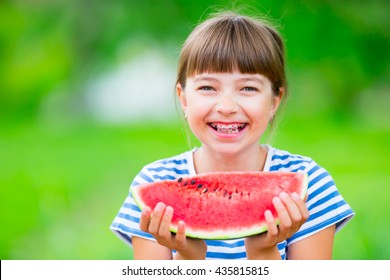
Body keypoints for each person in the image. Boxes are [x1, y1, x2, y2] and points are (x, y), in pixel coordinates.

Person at [110, 10, 354, 260]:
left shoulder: (310, 184)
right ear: (184, 98)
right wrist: (189, 257)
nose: (226, 106)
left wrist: (263, 251)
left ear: (274, 100)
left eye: (248, 88)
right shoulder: (152, 183)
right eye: (207, 87)